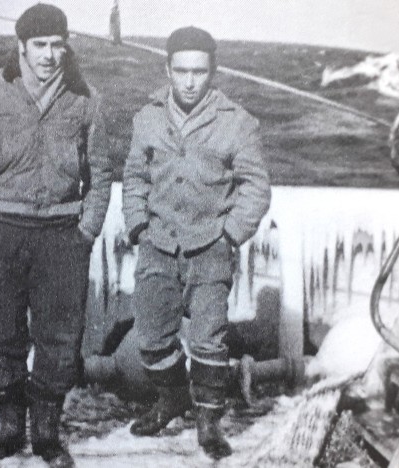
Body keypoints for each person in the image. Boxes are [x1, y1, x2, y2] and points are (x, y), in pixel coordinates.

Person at [0, 3, 112, 466]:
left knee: (60, 340)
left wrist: (86, 232)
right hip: (1, 233)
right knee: (4, 336)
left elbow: (100, 174)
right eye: (40, 45)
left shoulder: (87, 99)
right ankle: (8, 428)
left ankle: (46, 434)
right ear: (21, 45)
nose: (49, 55)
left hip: (62, 237)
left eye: (58, 44)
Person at [122, 26, 271, 459]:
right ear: (167, 69)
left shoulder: (237, 122)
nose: (190, 81)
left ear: (213, 71)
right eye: (181, 70)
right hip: (158, 243)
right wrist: (137, 226)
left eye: (199, 72)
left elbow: (255, 187)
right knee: (151, 337)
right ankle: (171, 398)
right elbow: (133, 176)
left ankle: (208, 421)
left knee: (208, 339)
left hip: (210, 247)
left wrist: (230, 235)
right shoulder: (146, 117)